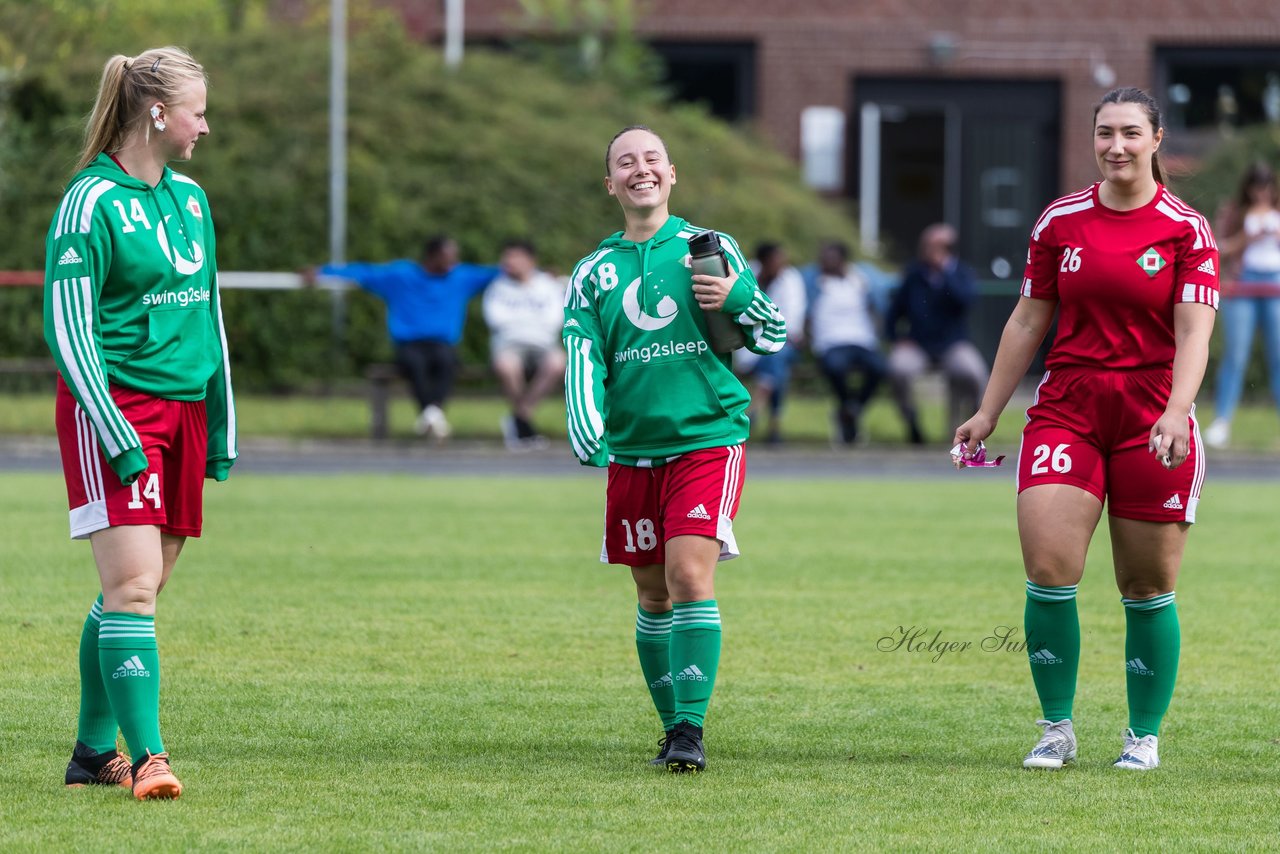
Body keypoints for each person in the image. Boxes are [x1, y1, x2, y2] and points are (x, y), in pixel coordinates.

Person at [954, 87, 1218, 772]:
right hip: (1067, 411)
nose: (1116, 146)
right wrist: (988, 411)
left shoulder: (1186, 229)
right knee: (1047, 569)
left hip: (1152, 417)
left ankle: (1142, 735)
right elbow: (1027, 320)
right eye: (1105, 133)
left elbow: (1195, 332)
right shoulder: (1059, 221)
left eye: (1131, 132)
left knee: (1147, 585)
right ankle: (1056, 728)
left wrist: (1175, 410)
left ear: (1157, 139)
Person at [42, 46, 237, 800]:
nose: (205, 126)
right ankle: (149, 757)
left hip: (185, 412)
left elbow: (209, 317)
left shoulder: (190, 199)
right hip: (114, 410)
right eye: (198, 110)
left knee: (136, 587)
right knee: (133, 589)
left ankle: (92, 753)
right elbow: (68, 330)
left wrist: (219, 424)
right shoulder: (88, 201)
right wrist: (116, 431)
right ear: (158, 113)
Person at [563, 125, 786, 773]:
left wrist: (737, 294)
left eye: (651, 158)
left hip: (707, 440)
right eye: (625, 162)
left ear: (672, 172)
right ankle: (671, 727)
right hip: (633, 452)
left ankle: (690, 729)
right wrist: (585, 419)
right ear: (611, 184)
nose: (641, 169)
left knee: (691, 575)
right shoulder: (592, 273)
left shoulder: (708, 248)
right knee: (653, 593)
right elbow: (583, 353)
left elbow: (770, 337)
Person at [319, 236, 498, 439]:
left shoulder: (460, 277)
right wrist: (321, 272)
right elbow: (364, 272)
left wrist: (539, 273)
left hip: (442, 343)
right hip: (409, 344)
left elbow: (498, 273)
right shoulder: (402, 275)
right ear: (432, 256)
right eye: (448, 257)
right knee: (415, 363)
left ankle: (429, 416)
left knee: (447, 361)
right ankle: (434, 415)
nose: (453, 262)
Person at [885, 223, 989, 444]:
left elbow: (966, 301)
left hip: (953, 344)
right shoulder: (914, 274)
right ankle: (911, 422)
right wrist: (897, 339)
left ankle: (971, 427)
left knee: (975, 373)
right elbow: (894, 312)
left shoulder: (961, 273)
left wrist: (945, 272)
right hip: (919, 344)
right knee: (898, 369)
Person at [1204, 161, 1280, 448]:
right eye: (1256, 188)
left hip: (1275, 287)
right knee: (1235, 356)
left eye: (1266, 187)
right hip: (1243, 287)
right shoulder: (1236, 212)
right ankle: (1222, 422)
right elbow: (1217, 248)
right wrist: (1246, 239)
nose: (1261, 193)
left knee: (1279, 359)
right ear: (1248, 189)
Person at [481, 240, 566, 449]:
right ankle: (523, 425)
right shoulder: (498, 287)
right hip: (508, 343)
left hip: (542, 343)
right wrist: (529, 321)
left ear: (530, 261)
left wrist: (520, 320)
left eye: (515, 257)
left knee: (558, 362)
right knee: (507, 366)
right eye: (507, 256)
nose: (509, 261)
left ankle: (519, 419)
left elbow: (555, 319)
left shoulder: (548, 286)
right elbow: (496, 320)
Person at [806, 240, 886, 445]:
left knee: (879, 368)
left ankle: (851, 409)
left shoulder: (861, 278)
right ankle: (848, 410)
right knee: (835, 367)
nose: (825, 262)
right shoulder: (813, 281)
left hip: (862, 339)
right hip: (830, 341)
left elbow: (882, 296)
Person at [733, 242, 807, 444]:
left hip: (785, 343)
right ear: (764, 261)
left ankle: (757, 406)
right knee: (776, 368)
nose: (782, 264)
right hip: (748, 346)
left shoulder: (791, 279)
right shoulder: (745, 273)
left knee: (776, 357)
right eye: (777, 260)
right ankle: (774, 426)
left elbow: (791, 321)